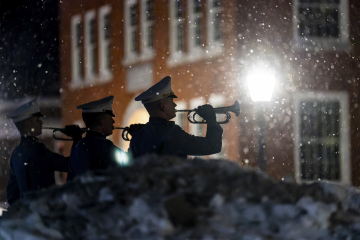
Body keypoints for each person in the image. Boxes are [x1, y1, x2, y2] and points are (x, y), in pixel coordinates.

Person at [5, 99, 82, 205]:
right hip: (43, 209)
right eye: (37, 120)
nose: (41, 122)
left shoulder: (16, 153)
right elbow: (70, 165)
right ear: (28, 123)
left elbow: (12, 194)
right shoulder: (37, 149)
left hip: (29, 213)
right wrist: (77, 139)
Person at [129, 76, 223, 158]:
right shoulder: (171, 133)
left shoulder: (139, 134)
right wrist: (211, 120)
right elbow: (213, 146)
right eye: (171, 101)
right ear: (163, 106)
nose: (175, 105)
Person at [67, 96, 129, 181]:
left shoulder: (78, 147)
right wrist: (137, 136)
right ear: (101, 122)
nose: (113, 121)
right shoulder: (104, 146)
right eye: (110, 118)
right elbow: (130, 165)